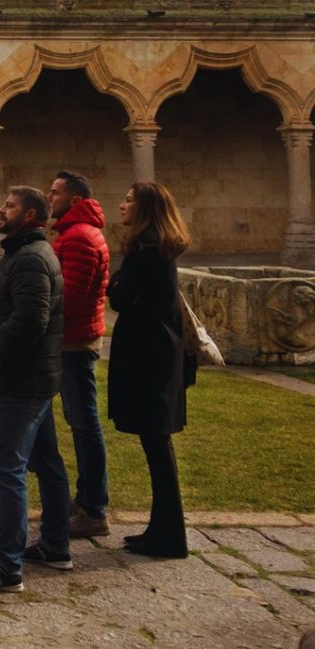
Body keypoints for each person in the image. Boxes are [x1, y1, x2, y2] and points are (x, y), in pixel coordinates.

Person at [0, 186, 70, 593]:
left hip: (23, 379)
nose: (1, 209)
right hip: (34, 376)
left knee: (7, 468)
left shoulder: (31, 260)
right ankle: (56, 543)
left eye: (10, 205)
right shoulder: (25, 255)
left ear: (31, 214)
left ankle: (6, 566)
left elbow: (30, 322)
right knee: (47, 461)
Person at [108, 181, 191, 559]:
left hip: (150, 357)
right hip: (160, 353)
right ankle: (162, 530)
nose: (122, 205)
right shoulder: (158, 247)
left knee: (157, 445)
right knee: (157, 445)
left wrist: (114, 281)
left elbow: (121, 297)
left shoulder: (146, 251)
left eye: (129, 200)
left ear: (144, 209)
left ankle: (170, 536)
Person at [47, 170, 111, 538]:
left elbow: (71, 297)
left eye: (54, 192)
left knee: (85, 424)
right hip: (71, 340)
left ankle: (93, 508)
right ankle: (87, 499)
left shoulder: (80, 238)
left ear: (73, 200)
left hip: (74, 343)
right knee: (80, 422)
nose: (49, 197)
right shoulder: (75, 235)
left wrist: (39, 315)